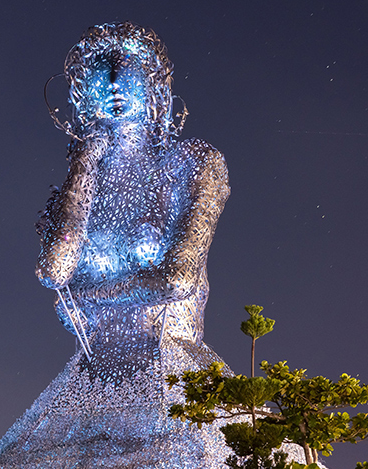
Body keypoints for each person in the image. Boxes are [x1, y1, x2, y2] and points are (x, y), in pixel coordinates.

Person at [36, 22, 230, 381]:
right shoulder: (83, 184)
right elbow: (53, 273)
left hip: (170, 369)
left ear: (152, 83)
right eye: (101, 75)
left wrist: (86, 295)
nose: (112, 84)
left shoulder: (191, 163)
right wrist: (84, 164)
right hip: (93, 373)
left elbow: (176, 281)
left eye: (126, 72)